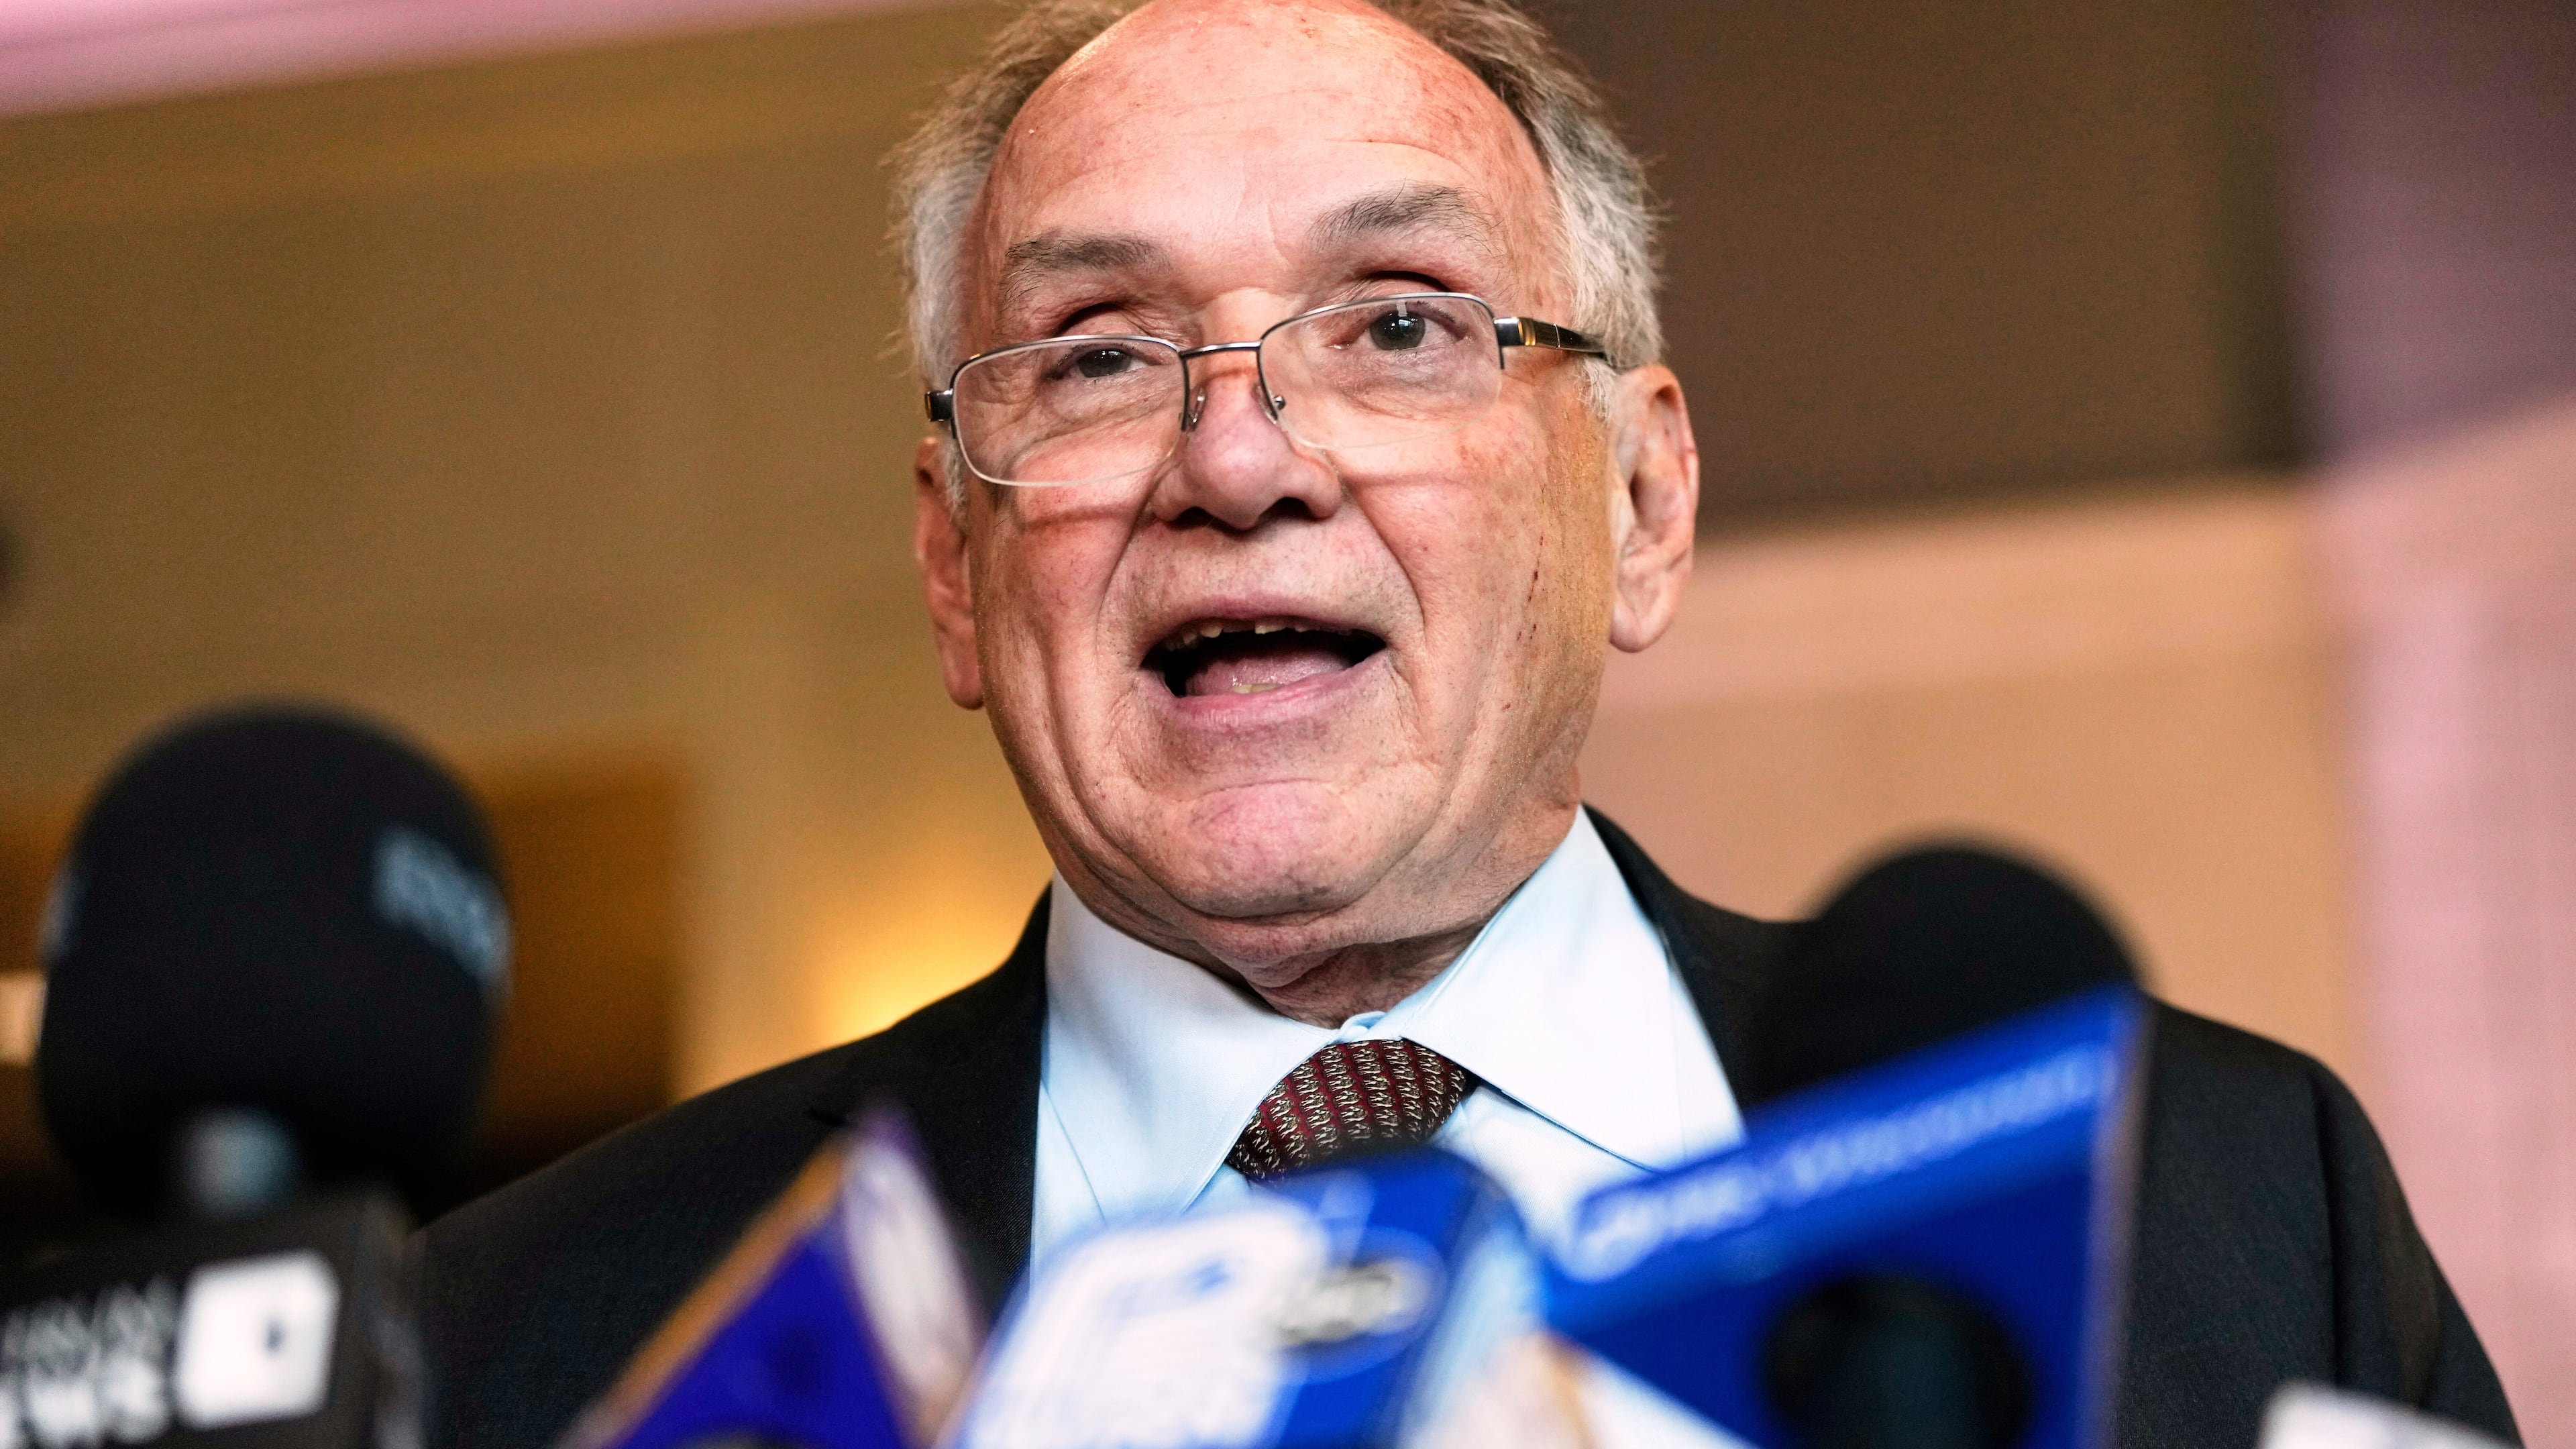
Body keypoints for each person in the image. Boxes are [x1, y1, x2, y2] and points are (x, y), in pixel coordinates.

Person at [417, 1, 2519, 1445]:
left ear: (1640, 499)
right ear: (958, 567)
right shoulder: (541, 1344)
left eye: (1400, 325)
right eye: (1094, 352)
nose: (1236, 459)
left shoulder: (2236, 1200)